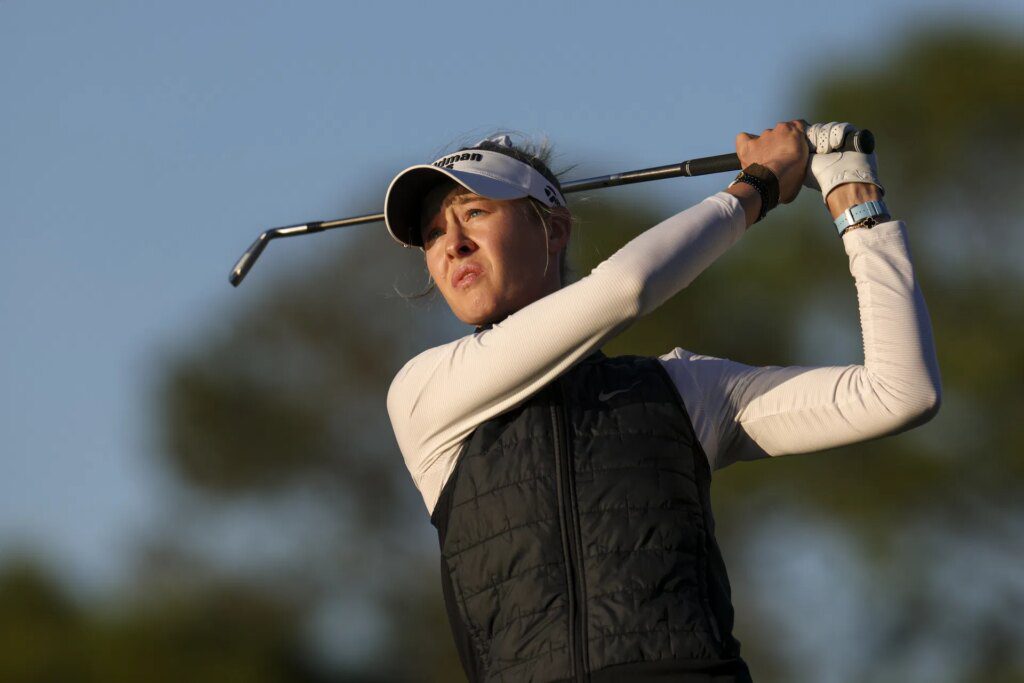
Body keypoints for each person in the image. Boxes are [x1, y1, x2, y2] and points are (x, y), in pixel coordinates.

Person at [383, 121, 941, 683]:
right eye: (432, 233)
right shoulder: (424, 391)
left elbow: (898, 392)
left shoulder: (684, 388)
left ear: (553, 228)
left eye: (475, 212)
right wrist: (759, 185)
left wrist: (854, 196)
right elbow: (625, 288)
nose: (453, 244)